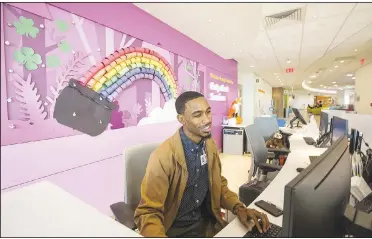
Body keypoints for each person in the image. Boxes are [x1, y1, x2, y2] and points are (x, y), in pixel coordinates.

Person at [134, 91, 270, 237]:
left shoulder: (209, 145)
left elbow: (219, 185)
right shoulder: (162, 157)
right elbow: (148, 213)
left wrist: (239, 208)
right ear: (181, 119)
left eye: (208, 112)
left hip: (208, 224)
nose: (207, 120)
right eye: (198, 115)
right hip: (174, 230)